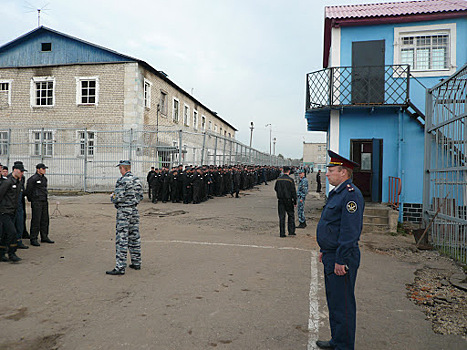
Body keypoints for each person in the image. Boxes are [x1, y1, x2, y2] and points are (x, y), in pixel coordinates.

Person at [315, 151, 364, 350]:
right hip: (331, 254)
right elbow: (331, 225)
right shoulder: (338, 193)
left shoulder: (351, 195)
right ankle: (337, 340)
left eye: (331, 171)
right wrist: (324, 250)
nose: (327, 174)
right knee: (334, 303)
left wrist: (341, 260)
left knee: (343, 305)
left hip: (341, 257)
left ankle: (344, 346)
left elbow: (349, 231)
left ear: (343, 173)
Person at [107, 160, 143, 276]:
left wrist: (112, 197)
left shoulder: (122, 181)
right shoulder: (136, 180)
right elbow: (140, 196)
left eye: (120, 168)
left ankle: (120, 267)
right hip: (134, 210)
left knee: (122, 238)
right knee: (134, 236)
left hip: (124, 212)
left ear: (123, 168)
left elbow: (119, 197)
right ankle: (136, 262)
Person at [0, 163, 26, 262]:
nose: (22, 173)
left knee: (6, 234)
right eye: (21, 171)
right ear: (15, 170)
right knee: (12, 232)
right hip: (4, 211)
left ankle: (2, 253)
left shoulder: (19, 182)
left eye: (23, 171)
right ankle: (12, 253)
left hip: (13, 211)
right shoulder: (7, 182)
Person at [25, 163, 53, 246]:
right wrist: (32, 199)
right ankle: (33, 238)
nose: (44, 170)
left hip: (44, 200)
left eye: (45, 169)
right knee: (36, 220)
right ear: (38, 169)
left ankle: (44, 236)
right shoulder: (33, 179)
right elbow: (28, 191)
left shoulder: (44, 179)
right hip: (36, 201)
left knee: (45, 219)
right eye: (43, 169)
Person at [274, 166, 297, 237]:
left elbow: (275, 188)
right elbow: (293, 191)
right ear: (289, 171)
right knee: (291, 215)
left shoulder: (278, 179)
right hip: (288, 200)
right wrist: (295, 201)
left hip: (280, 200)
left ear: (283, 171)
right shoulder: (290, 180)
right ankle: (291, 231)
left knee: (282, 217)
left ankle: (282, 233)